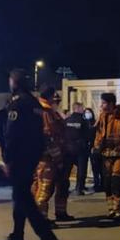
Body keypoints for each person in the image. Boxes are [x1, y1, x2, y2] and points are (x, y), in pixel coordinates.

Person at [0, 69, 59, 240]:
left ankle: (46, 236)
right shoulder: (34, 102)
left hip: (19, 157)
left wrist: (8, 159)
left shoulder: (17, 103)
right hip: (32, 155)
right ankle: (17, 236)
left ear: (14, 82)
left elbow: (12, 134)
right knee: (19, 195)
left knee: (24, 197)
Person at [32, 87, 72, 224]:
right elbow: (49, 136)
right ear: (49, 97)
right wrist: (58, 157)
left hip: (53, 156)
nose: (57, 101)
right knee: (44, 188)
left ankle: (60, 212)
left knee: (61, 185)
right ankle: (41, 219)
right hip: (47, 158)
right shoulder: (45, 112)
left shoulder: (49, 111)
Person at [96, 93, 120, 219]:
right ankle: (111, 209)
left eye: (104, 103)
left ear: (111, 104)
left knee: (116, 182)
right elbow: (99, 134)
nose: (102, 105)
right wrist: (96, 148)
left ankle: (119, 210)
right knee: (107, 183)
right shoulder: (102, 117)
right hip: (106, 155)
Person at [63, 101, 93, 195]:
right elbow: (88, 135)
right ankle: (79, 188)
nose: (83, 110)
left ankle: (63, 188)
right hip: (80, 148)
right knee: (81, 169)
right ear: (78, 108)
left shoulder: (67, 120)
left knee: (67, 170)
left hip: (68, 148)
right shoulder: (83, 121)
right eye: (82, 108)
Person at [85, 103, 103, 193]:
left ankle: (98, 184)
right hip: (85, 147)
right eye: (86, 112)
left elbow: (94, 131)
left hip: (94, 147)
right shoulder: (84, 122)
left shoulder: (94, 122)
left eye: (89, 112)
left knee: (96, 167)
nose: (87, 114)